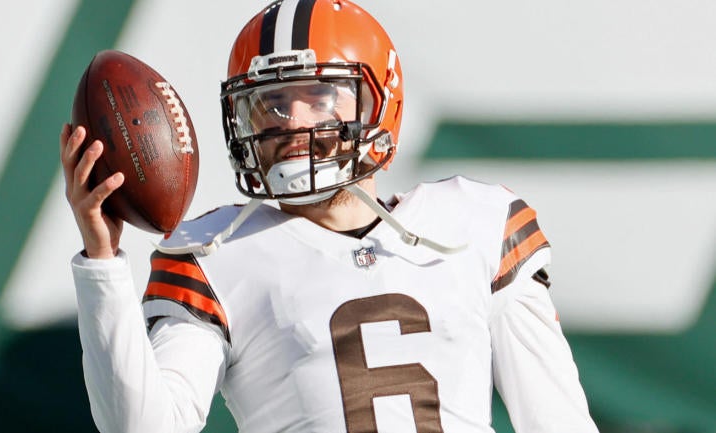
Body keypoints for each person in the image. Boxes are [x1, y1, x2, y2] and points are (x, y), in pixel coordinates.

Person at [61, 0, 600, 432]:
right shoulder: (214, 255)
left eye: (318, 97)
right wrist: (102, 261)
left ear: (379, 103)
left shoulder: (478, 223)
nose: (292, 122)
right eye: (272, 104)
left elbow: (558, 422)